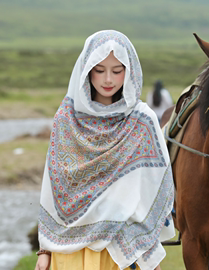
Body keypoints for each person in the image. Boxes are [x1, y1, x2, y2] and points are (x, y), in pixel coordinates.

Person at [35, 30, 175, 270]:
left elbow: (153, 186)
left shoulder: (142, 120)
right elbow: (53, 189)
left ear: (129, 71)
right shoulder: (66, 121)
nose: (108, 79)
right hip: (72, 251)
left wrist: (148, 251)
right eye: (99, 70)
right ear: (86, 70)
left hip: (124, 251)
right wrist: (44, 250)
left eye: (117, 70)